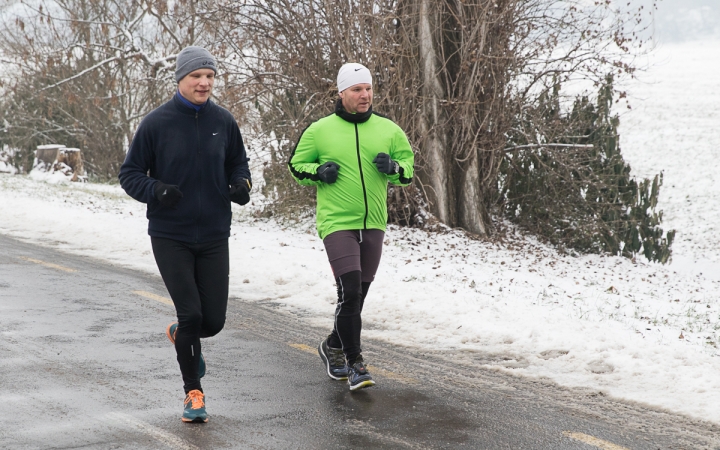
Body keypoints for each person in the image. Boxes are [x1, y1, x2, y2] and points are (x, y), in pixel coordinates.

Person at [118, 46, 251, 422]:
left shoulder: (223, 122)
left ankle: (182, 334)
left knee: (213, 322)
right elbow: (130, 174)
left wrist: (240, 184)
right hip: (170, 234)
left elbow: (238, 164)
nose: (205, 82)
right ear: (180, 80)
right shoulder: (157, 123)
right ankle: (193, 393)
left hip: (213, 233)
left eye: (209, 76)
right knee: (192, 314)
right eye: (197, 76)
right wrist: (156, 190)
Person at [288, 63, 414, 391]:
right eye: (357, 89)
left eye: (368, 88)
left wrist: (394, 167)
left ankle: (332, 344)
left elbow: (409, 169)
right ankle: (356, 363)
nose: (365, 95)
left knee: (358, 296)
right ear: (341, 92)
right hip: (337, 223)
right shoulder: (319, 130)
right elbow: (295, 166)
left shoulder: (388, 129)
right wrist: (318, 171)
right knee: (351, 290)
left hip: (373, 222)